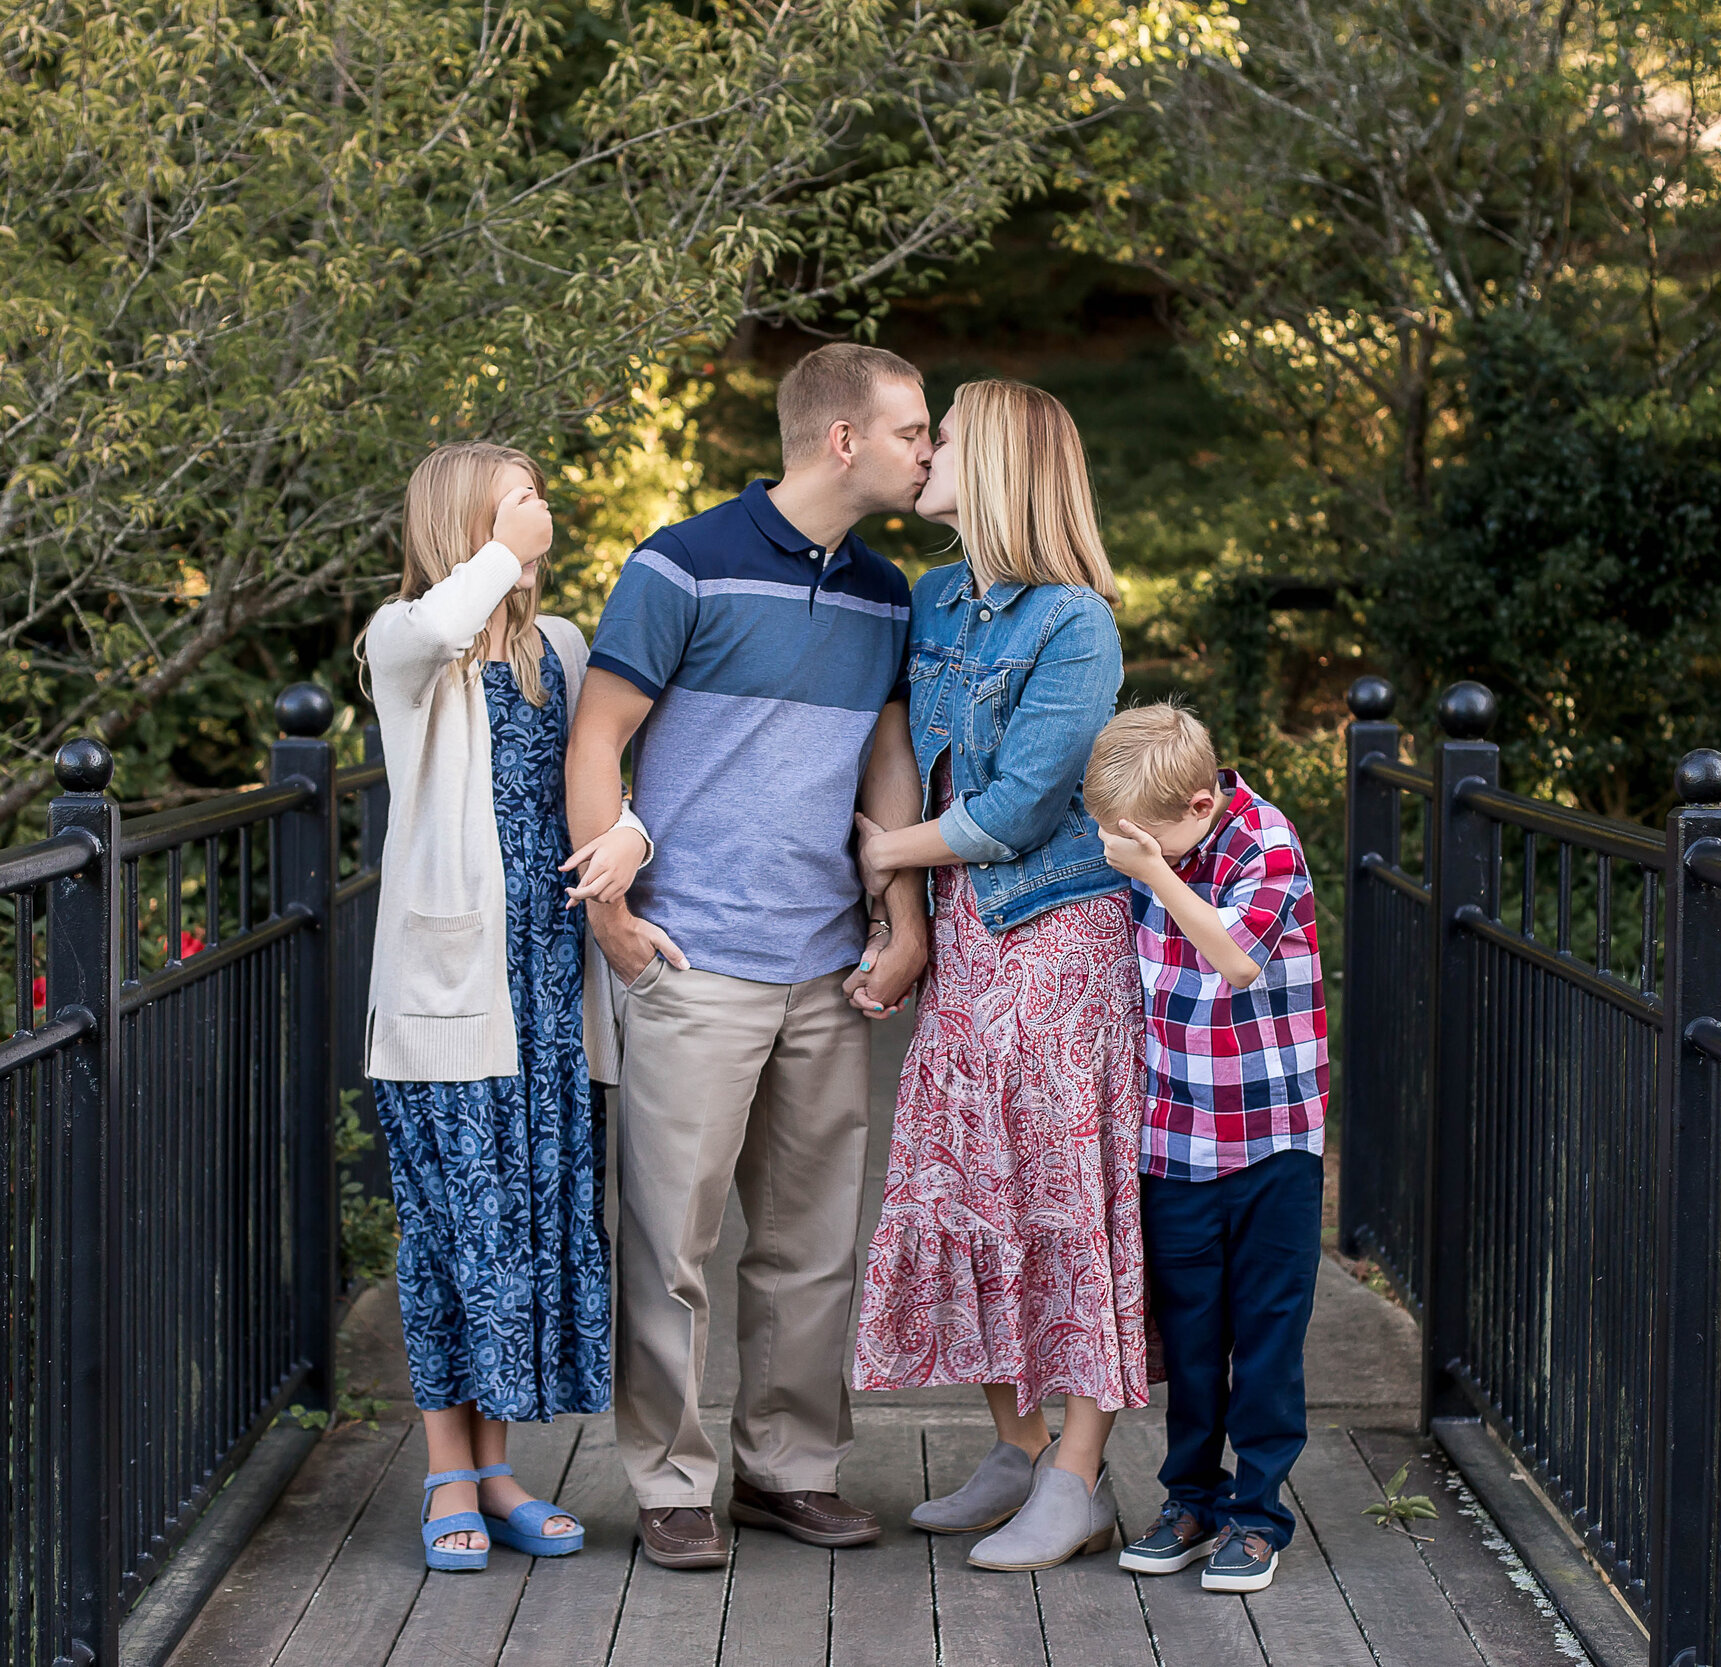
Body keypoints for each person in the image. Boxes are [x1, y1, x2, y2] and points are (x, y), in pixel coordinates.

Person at [563, 343, 933, 1570]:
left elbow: (886, 763)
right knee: (671, 1242)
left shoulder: (889, 591)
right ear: (843, 440)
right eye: (910, 429)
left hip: (825, 964)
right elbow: (597, 736)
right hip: (694, 956)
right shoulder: (680, 564)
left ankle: (788, 1470)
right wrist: (609, 917)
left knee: (811, 1240)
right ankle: (672, 1481)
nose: (925, 449)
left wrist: (899, 914)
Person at [849, 378, 1147, 1572]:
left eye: (946, 436)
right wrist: (906, 899)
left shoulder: (1076, 621)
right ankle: (1020, 1446)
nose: (925, 453)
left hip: (1059, 943)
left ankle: (1077, 1476)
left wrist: (886, 852)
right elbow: (896, 747)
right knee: (965, 1187)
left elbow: (1021, 805)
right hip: (971, 947)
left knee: (1066, 1200)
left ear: (1005, 465)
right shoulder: (934, 601)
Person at [358, 441, 652, 1572]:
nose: (543, 513)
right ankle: (443, 1468)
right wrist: (498, 553)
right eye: (521, 499)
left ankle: (494, 1470)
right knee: (449, 1235)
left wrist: (630, 834)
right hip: (447, 997)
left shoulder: (564, 648)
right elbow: (441, 626)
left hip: (547, 992)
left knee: (524, 1234)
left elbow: (615, 776)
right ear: (467, 526)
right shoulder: (402, 644)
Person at [1085, 702, 1328, 1595]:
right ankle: (1192, 1497)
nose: (1132, 851)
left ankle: (1258, 1515)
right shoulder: (1149, 843)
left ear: (1199, 802)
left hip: (1273, 1142)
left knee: (1265, 1335)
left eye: (1148, 838)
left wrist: (1157, 872)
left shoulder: (1266, 842)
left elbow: (1235, 959)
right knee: (1189, 1337)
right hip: (1177, 1139)